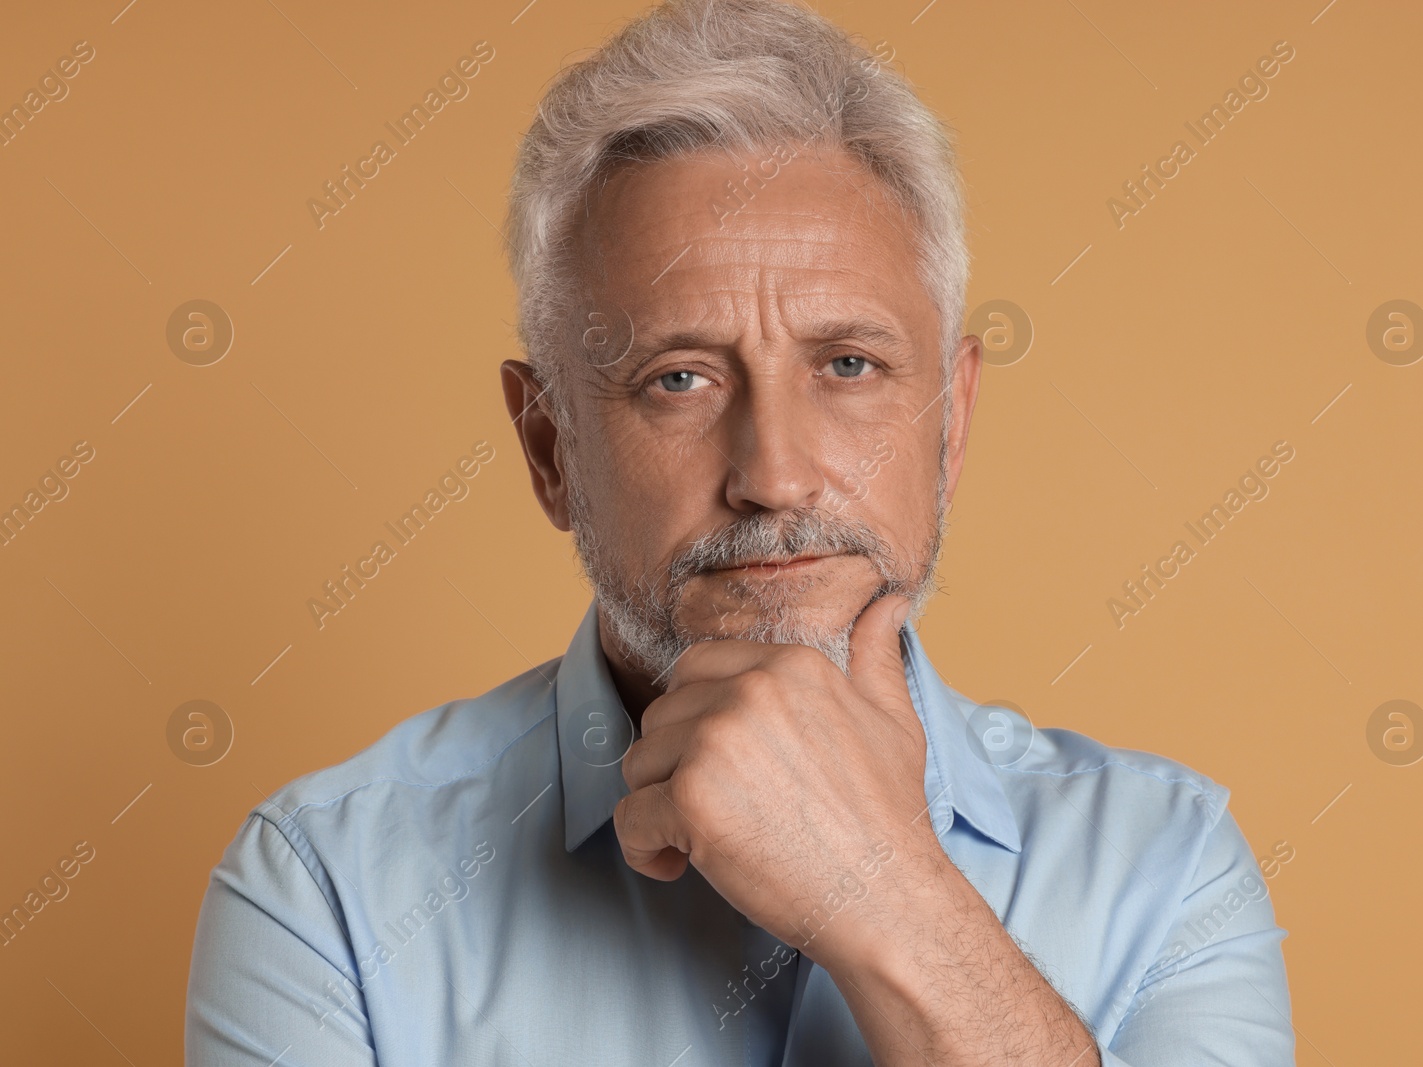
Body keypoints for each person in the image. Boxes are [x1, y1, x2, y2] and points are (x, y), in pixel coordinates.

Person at [185, 1, 1294, 1062]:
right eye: (678, 378)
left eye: (847, 365)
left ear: (949, 420)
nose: (772, 475)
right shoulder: (323, 888)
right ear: (549, 448)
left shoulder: (1170, 869)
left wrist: (888, 892)